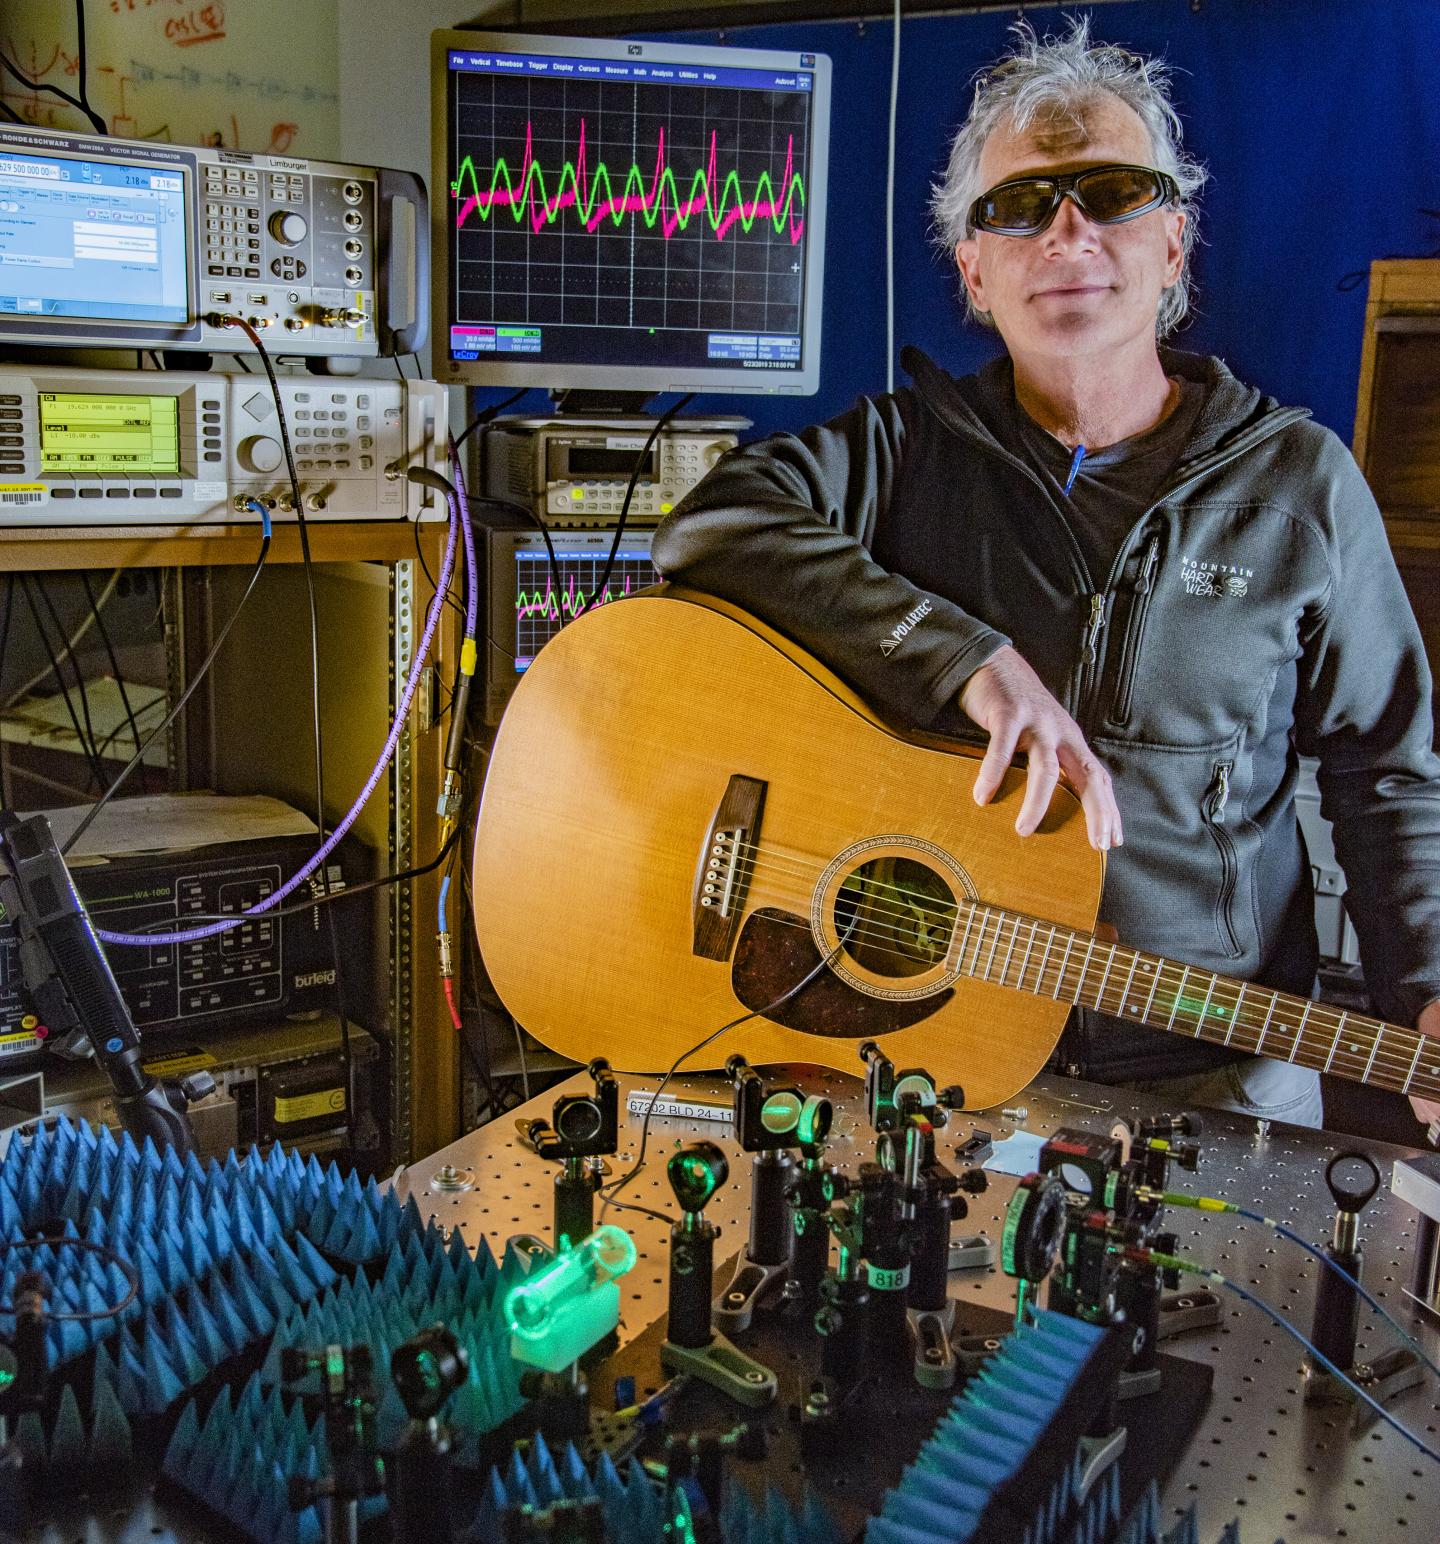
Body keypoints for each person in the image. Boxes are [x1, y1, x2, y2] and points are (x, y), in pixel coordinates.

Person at [651, 19, 1440, 1132]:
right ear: (974, 272)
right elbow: (710, 527)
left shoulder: (1301, 482)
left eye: (1113, 193)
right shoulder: (903, 451)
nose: (1069, 232)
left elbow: (1389, 773)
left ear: (1174, 244)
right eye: (1020, 206)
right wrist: (966, 659)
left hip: (1219, 1071)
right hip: (935, 1055)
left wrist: (1427, 990)